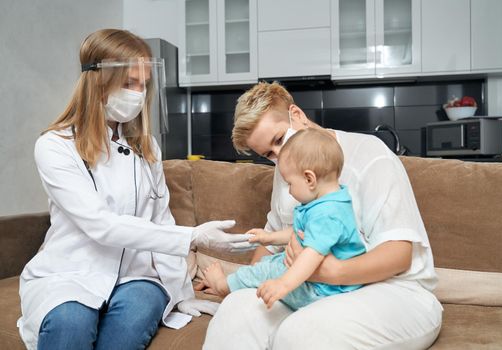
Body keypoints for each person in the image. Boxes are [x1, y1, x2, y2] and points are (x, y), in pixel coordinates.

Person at [18, 29, 254, 350]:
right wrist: (193, 236)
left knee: (126, 331)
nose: (138, 94)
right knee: (69, 325)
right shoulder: (56, 146)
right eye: (129, 83)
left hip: (137, 277)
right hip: (72, 273)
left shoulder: (147, 148)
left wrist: (182, 292)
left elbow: (160, 220)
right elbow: (100, 225)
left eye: (144, 85)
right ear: (98, 82)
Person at [203, 81, 443, 350]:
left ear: (297, 115)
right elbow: (271, 247)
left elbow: (399, 254)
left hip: (396, 291)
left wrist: (328, 271)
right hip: (312, 289)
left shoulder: (371, 155)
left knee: (300, 334)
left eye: (280, 140)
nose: (279, 156)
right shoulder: (289, 172)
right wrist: (246, 283)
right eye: (269, 154)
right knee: (237, 310)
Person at [202, 128, 366, 310]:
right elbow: (301, 233)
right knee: (270, 263)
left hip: (322, 291)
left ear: (309, 179)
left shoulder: (327, 213)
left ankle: (223, 286)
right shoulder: (328, 202)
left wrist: (284, 284)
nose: (289, 190)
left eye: (290, 183)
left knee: (268, 271)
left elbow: (313, 254)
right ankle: (239, 281)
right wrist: (269, 237)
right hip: (324, 285)